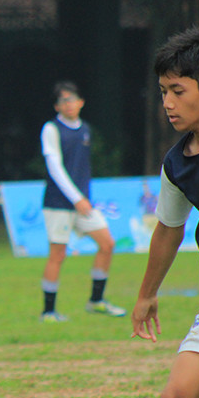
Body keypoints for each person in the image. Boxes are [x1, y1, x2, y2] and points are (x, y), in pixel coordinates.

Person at [123, 27, 199, 398]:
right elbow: (169, 228)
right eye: (163, 91)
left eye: (178, 90)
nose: (168, 103)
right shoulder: (179, 162)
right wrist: (145, 293)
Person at [39, 81, 126, 322]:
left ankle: (96, 301)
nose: (69, 104)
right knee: (58, 254)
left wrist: (82, 199)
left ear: (81, 102)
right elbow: (55, 167)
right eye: (63, 100)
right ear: (57, 106)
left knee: (107, 243)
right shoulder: (51, 129)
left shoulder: (85, 129)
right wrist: (76, 198)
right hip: (59, 203)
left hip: (83, 203)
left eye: (72, 99)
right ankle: (48, 311)